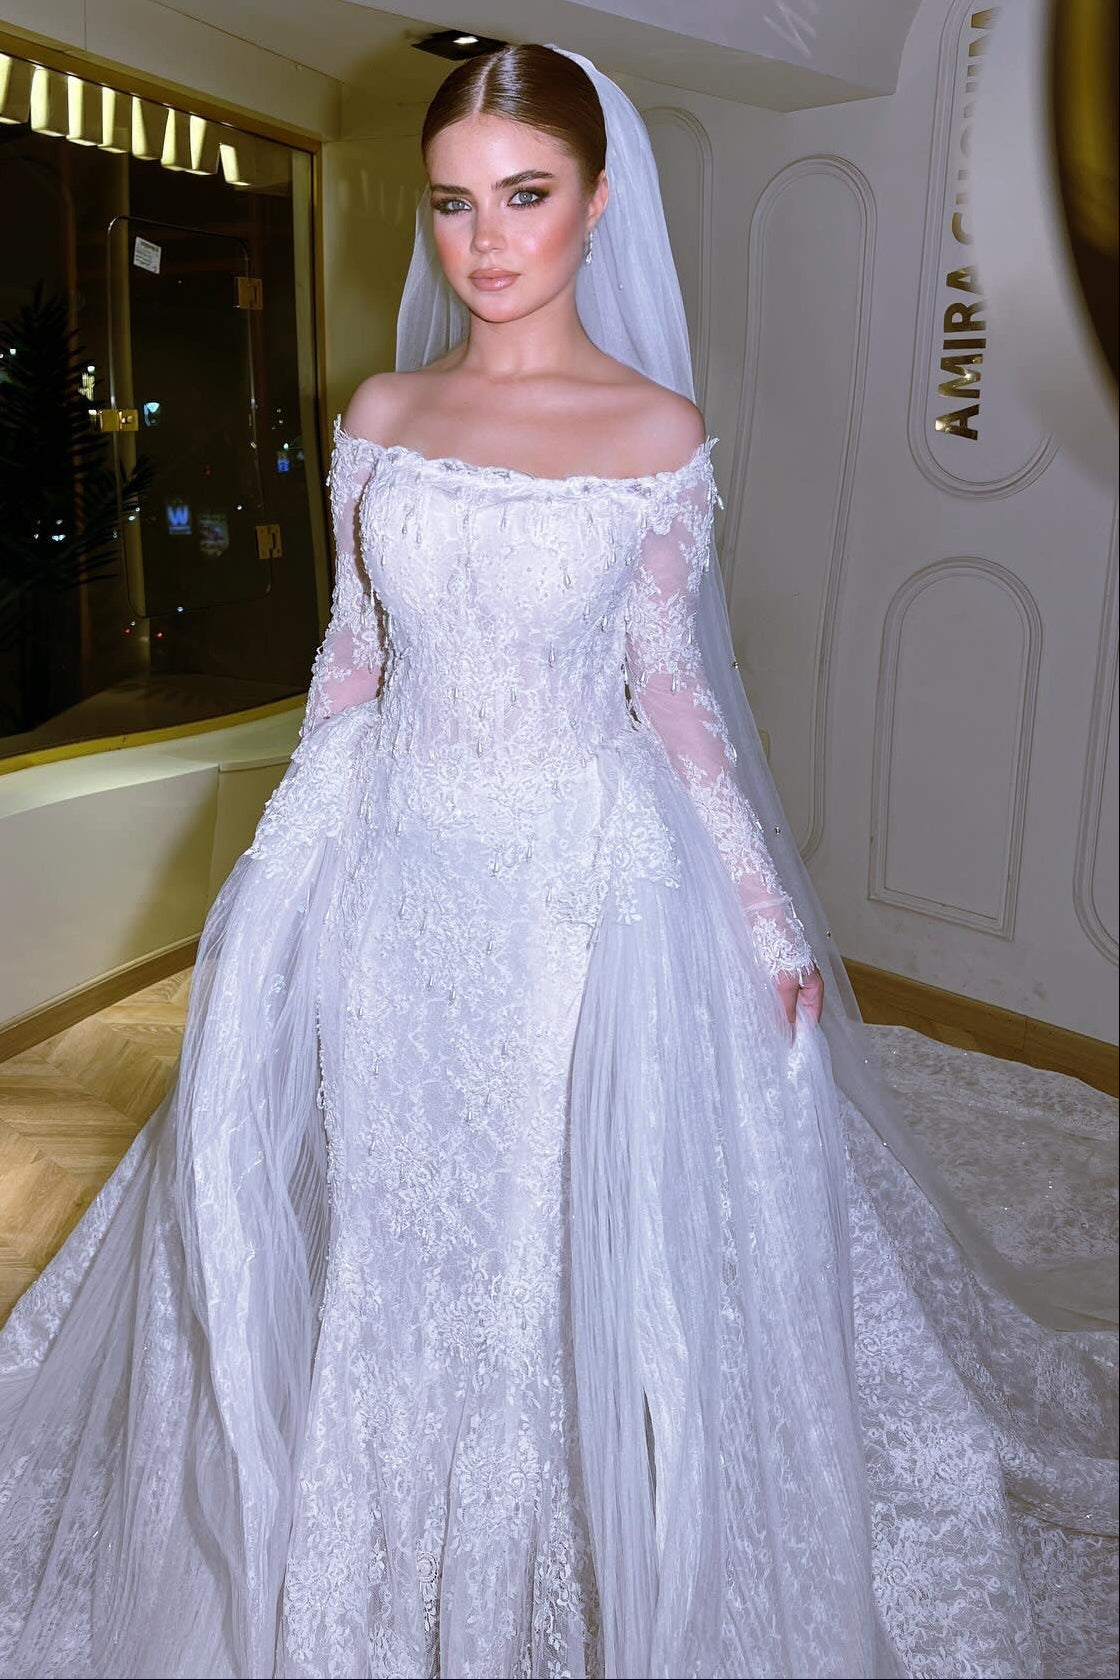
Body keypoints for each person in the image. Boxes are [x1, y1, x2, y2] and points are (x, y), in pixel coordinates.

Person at [0, 41, 1116, 1680]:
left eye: (524, 196)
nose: (486, 240)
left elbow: (673, 698)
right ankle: (367, 1548)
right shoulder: (382, 414)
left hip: (575, 895)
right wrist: (271, 894)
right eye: (455, 204)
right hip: (393, 874)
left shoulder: (654, 432)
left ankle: (527, 1548)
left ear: (597, 206)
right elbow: (351, 676)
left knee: (538, 1229)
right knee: (389, 1212)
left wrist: (763, 919)